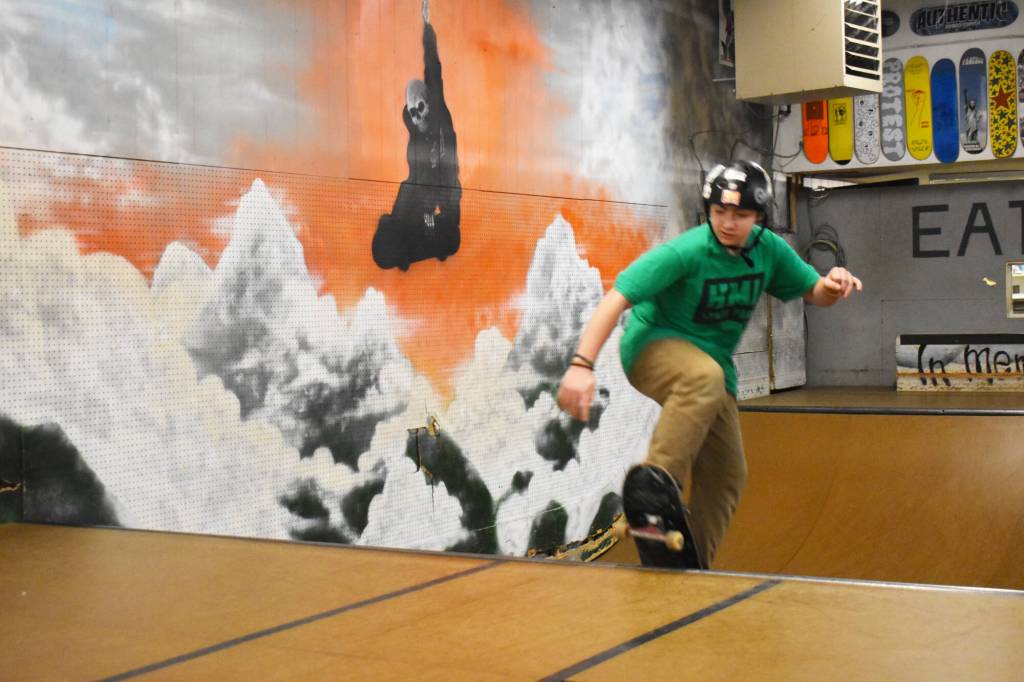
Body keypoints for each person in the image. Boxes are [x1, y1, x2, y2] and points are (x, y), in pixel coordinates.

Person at [557, 160, 862, 569]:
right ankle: (654, 492)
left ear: (758, 216)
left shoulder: (768, 251)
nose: (728, 223)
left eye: (739, 215)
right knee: (705, 376)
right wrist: (581, 365)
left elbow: (814, 291)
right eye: (719, 212)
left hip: (711, 370)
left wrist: (833, 283)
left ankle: (689, 560)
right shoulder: (687, 251)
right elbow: (618, 297)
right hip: (652, 347)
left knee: (728, 476)